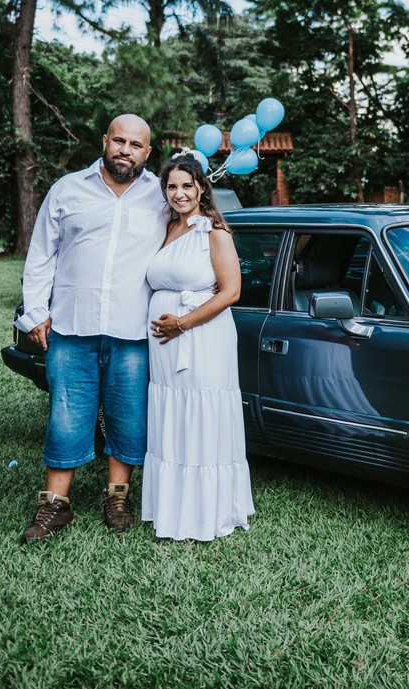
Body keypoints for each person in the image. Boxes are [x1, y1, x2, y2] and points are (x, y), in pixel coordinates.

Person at [17, 114, 166, 543]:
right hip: (71, 327)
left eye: (135, 145)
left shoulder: (161, 195)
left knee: (129, 417)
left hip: (134, 331)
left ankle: (117, 498)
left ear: (147, 152)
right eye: (119, 141)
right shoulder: (67, 189)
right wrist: (35, 312)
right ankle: (54, 505)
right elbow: (41, 254)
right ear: (104, 141)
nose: (125, 150)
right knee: (65, 415)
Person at [141, 155, 253, 540]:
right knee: (173, 415)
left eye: (187, 186)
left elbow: (231, 291)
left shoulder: (214, 233)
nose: (179, 194)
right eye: (172, 186)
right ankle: (172, 508)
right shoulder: (167, 227)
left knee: (202, 415)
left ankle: (207, 512)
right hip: (164, 344)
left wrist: (182, 323)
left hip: (202, 337)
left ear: (201, 188)